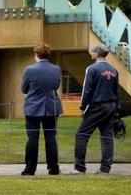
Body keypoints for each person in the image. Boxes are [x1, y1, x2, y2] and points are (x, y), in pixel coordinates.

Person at [72, 44, 120, 174]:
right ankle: (105, 168)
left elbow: (86, 90)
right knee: (107, 137)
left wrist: (83, 106)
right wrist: (117, 109)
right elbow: (116, 92)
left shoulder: (92, 69)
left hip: (96, 106)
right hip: (110, 106)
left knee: (81, 135)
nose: (91, 52)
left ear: (96, 54)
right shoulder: (114, 70)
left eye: (92, 51)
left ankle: (79, 167)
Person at [20, 42, 63, 176]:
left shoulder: (30, 70)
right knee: (51, 138)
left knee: (32, 139)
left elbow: (23, 89)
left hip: (33, 108)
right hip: (51, 106)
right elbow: (56, 86)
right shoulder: (56, 69)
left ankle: (30, 169)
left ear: (36, 55)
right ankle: (53, 168)